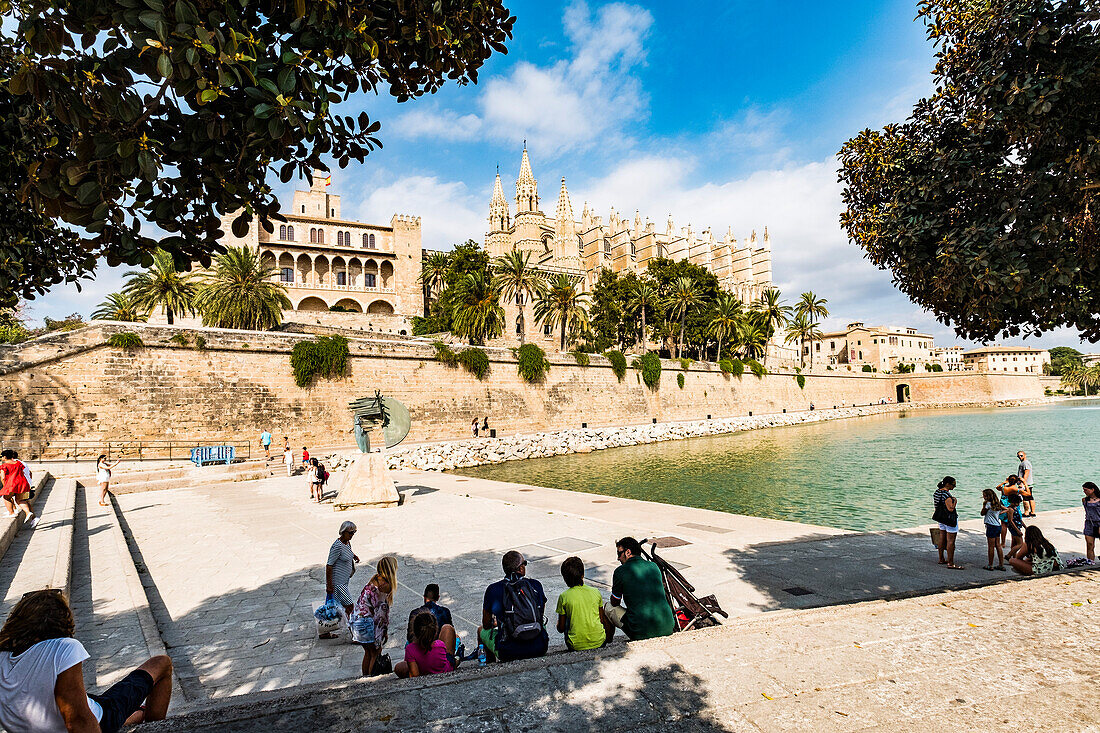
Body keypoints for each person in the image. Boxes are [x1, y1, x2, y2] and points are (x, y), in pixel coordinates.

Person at [0, 589, 173, 733]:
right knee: (161, 663)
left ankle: (137, 714)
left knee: (93, 700)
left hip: (70, 710)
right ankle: (153, 726)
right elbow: (77, 720)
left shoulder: (2, 657)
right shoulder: (64, 647)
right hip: (103, 718)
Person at [477, 550, 548, 663]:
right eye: (524, 563)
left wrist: (500, 621)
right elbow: (540, 615)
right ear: (520, 569)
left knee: (480, 630)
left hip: (508, 652)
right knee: (541, 622)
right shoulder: (536, 585)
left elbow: (486, 625)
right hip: (539, 647)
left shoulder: (493, 590)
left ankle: (489, 667)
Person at [604, 537, 675, 641]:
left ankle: (608, 642)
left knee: (608, 607)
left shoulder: (620, 571)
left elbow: (615, 602)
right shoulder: (654, 566)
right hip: (667, 626)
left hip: (641, 631)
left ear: (628, 552)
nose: (618, 558)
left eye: (619, 554)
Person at [352, 556, 397, 677]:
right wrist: (383, 632)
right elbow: (382, 613)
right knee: (376, 652)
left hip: (357, 620)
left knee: (368, 652)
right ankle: (371, 680)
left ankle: (365, 677)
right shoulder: (385, 586)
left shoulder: (374, 579)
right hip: (367, 622)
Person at [555, 556, 609, 651]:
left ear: (564, 578)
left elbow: (561, 628)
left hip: (575, 646)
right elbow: (601, 619)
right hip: (599, 641)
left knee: (568, 616)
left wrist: (558, 624)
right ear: (583, 575)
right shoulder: (595, 591)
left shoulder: (564, 596)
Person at [394, 612, 458, 678]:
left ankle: (456, 659)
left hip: (422, 670)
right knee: (447, 628)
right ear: (435, 631)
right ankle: (457, 659)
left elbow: (415, 675)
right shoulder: (440, 644)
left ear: (414, 631)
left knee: (398, 667)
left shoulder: (410, 649)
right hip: (445, 669)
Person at [323, 521, 358, 638]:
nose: (352, 535)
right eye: (350, 533)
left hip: (344, 581)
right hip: (338, 584)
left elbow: (347, 551)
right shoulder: (337, 546)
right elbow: (329, 565)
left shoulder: (347, 543)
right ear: (343, 532)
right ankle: (355, 634)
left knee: (333, 607)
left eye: (354, 533)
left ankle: (324, 632)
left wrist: (354, 556)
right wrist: (329, 585)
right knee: (349, 607)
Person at [932, 476, 963, 569]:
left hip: (940, 518)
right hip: (949, 519)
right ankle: (950, 562)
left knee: (942, 537)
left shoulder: (937, 492)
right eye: (953, 485)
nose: (954, 487)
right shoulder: (946, 495)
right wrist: (955, 501)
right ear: (948, 484)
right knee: (951, 541)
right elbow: (951, 508)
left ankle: (941, 558)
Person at [1, 450, 37, 528]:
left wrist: (5, 486)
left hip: (12, 484)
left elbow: (3, 477)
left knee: (6, 497)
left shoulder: (4, 465)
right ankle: (28, 512)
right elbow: (28, 472)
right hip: (22, 483)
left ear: (5, 457)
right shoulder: (19, 463)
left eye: (2, 456)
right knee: (20, 500)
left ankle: (11, 513)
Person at [980, 489, 1005, 571]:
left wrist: (984, 506)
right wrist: (997, 514)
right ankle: (1001, 564)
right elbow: (1007, 509)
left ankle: (990, 565)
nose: (983, 497)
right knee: (998, 545)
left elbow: (982, 513)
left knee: (991, 546)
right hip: (998, 526)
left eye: (984, 495)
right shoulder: (997, 504)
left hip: (991, 526)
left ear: (987, 496)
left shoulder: (988, 504)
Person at [1003, 493, 1026, 562]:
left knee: (1014, 543)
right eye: (1015, 502)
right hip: (1014, 527)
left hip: (1018, 526)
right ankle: (1008, 555)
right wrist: (1017, 531)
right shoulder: (1010, 509)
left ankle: (1014, 557)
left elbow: (1019, 519)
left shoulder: (1016, 508)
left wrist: (1025, 526)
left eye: (1018, 502)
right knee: (1020, 544)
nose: (1017, 504)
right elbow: (1010, 520)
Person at [1082, 481, 1100, 563]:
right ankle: (1090, 562)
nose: (1084, 492)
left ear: (1092, 489)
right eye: (1083, 490)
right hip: (1089, 524)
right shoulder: (1084, 500)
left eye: (1086, 490)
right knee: (1090, 545)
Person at [1017, 450, 1036, 517]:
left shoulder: (1025, 463)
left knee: (1025, 498)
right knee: (1030, 497)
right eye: (1018, 456)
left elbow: (1026, 473)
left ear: (1025, 455)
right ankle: (1032, 512)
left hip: (1025, 484)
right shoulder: (1026, 463)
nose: (1020, 457)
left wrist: (1022, 483)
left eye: (1021, 455)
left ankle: (1026, 512)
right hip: (1028, 483)